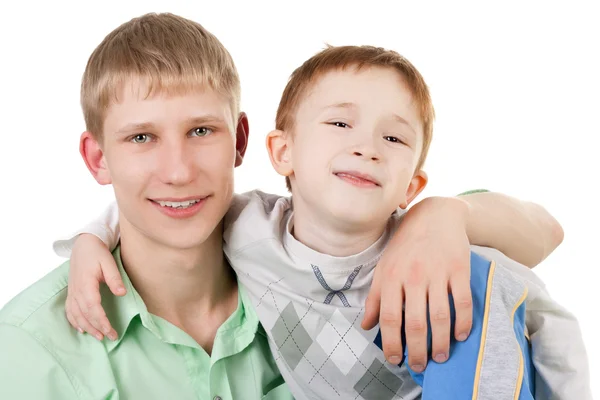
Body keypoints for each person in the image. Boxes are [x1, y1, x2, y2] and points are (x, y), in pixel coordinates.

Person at [53, 14, 590, 400]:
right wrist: (91, 240)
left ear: (412, 186)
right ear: (280, 151)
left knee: (467, 283)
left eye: (394, 140)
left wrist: (445, 214)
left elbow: (546, 277)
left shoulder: (434, 258)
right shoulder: (245, 230)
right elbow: (165, 204)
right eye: (339, 123)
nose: (367, 147)